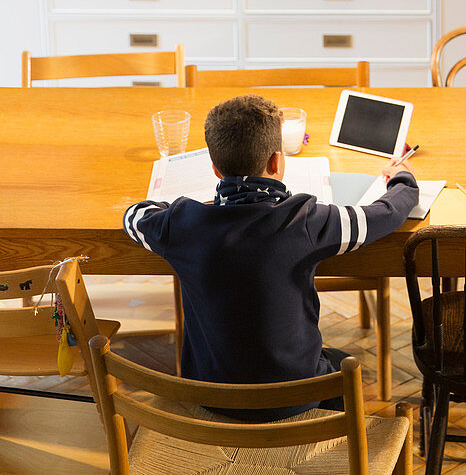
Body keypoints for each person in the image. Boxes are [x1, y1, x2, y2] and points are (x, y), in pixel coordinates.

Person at [123, 94, 418, 420]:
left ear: (215, 169)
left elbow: (134, 215)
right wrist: (402, 178)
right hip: (293, 397)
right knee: (341, 363)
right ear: (277, 162)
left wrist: (177, 213)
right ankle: (329, 446)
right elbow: (385, 213)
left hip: (209, 392)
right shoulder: (305, 220)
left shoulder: (183, 225)